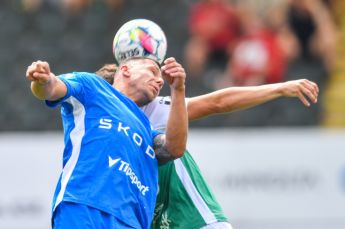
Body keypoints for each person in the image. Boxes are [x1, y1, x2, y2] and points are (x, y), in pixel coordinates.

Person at [95, 63, 319, 229]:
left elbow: (217, 102)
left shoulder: (149, 111)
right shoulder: (104, 144)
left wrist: (281, 88)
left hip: (198, 222)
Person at [25, 57, 188, 229]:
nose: (160, 80)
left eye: (161, 78)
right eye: (152, 71)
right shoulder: (93, 87)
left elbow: (175, 148)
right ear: (126, 69)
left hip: (132, 223)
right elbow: (51, 88)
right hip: (84, 207)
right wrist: (43, 80)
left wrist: (178, 89)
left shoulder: (148, 129)